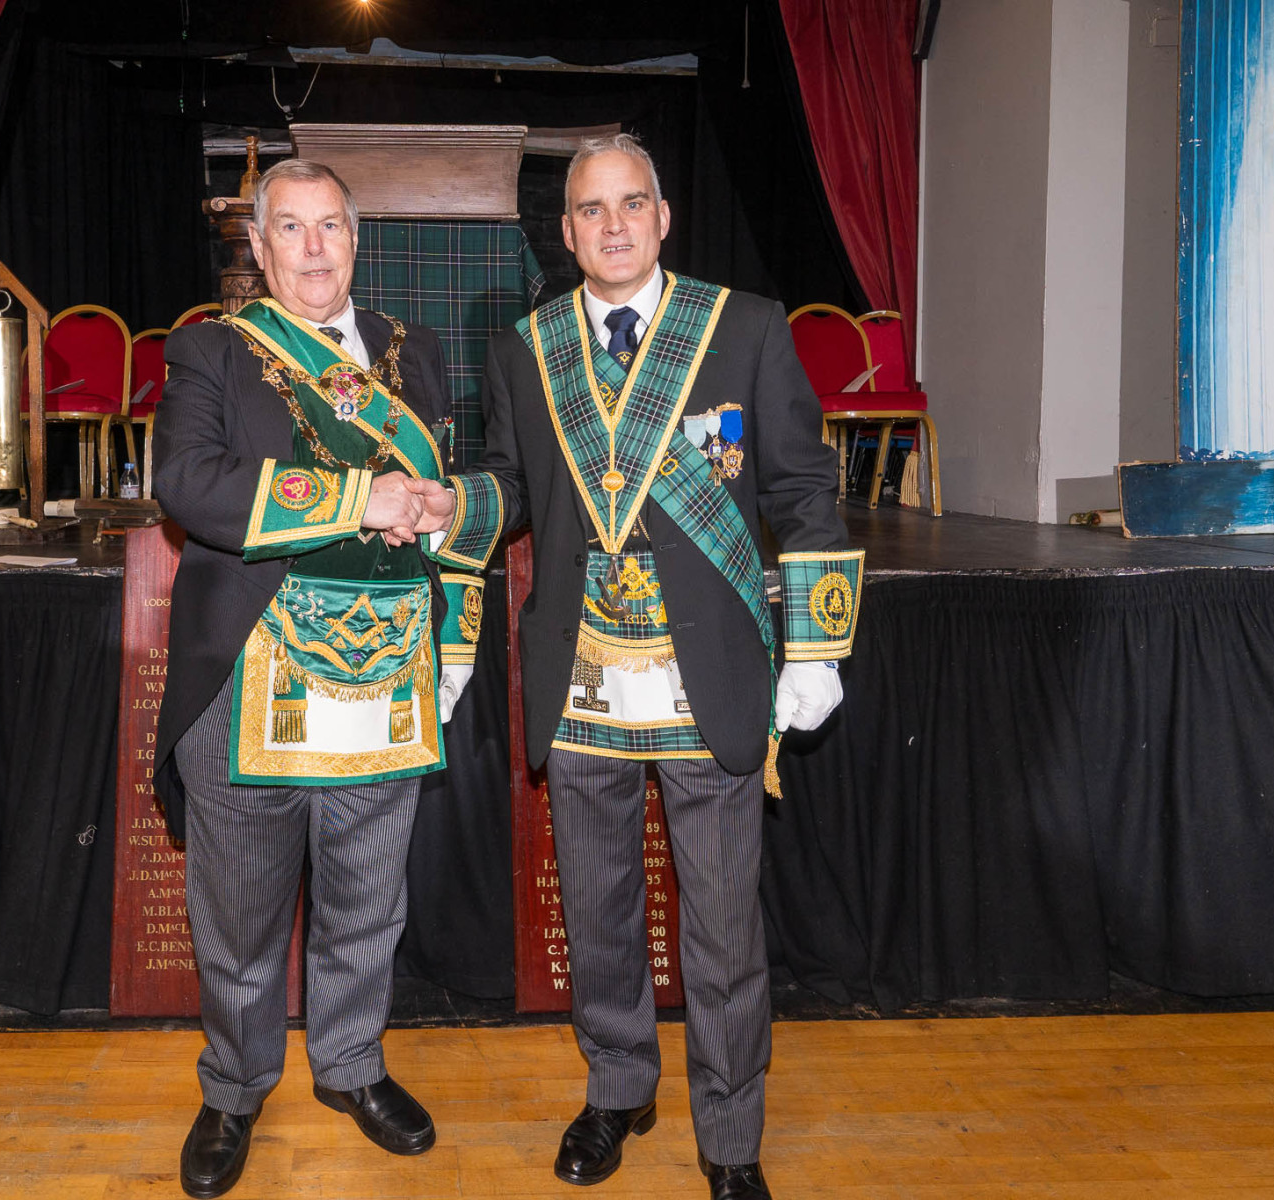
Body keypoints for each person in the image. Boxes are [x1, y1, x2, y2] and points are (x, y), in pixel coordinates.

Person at [422, 133, 863, 1200]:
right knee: (598, 910)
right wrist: (452, 505)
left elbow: (803, 492)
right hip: (582, 672)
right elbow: (512, 484)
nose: (612, 225)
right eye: (590, 209)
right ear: (566, 232)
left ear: (663, 219)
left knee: (722, 927)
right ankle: (618, 1089)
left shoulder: (743, 327)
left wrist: (817, 646)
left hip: (710, 671)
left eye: (631, 204)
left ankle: (731, 1137)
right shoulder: (528, 348)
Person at [150, 157, 485, 1200]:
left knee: (366, 896)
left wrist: (441, 530)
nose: (312, 248)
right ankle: (234, 1086)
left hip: (382, 666)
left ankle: (350, 1066)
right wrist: (357, 499)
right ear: (257, 248)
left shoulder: (411, 350)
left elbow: (441, 493)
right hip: (252, 668)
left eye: (330, 225)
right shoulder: (212, 349)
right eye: (289, 229)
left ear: (355, 237)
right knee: (239, 913)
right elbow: (187, 483)